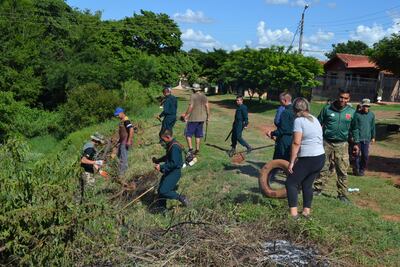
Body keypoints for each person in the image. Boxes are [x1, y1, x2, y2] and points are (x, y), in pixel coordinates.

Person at [313, 88, 356, 203]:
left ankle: (342, 195)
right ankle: (317, 188)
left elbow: (354, 129)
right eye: (341, 97)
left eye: (346, 98)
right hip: (326, 143)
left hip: (342, 144)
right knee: (323, 166)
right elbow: (318, 124)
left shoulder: (351, 112)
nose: (343, 100)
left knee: (342, 170)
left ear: (349, 99)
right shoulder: (327, 109)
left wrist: (356, 143)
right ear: (338, 97)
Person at [286, 98, 325, 219]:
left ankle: (293, 216)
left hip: (309, 158)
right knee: (307, 184)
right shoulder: (314, 119)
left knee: (291, 183)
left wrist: (292, 162)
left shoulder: (299, 120)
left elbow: (296, 143)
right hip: (320, 157)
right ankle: (306, 213)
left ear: (294, 109)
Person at [153, 129, 189, 212]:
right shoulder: (171, 144)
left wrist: (161, 167)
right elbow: (168, 157)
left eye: (162, 139)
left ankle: (181, 198)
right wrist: (158, 160)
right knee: (160, 190)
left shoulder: (175, 147)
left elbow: (174, 163)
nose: (162, 141)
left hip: (174, 172)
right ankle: (162, 207)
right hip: (169, 171)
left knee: (163, 190)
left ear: (168, 137)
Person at [183, 84, 210, 155]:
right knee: (198, 134)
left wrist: (186, 115)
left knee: (188, 134)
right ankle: (197, 149)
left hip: (193, 118)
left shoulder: (193, 96)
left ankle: (190, 149)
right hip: (202, 119)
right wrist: (208, 117)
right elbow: (207, 106)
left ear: (194, 89)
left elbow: (191, 106)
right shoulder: (204, 96)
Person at [266, 92, 294, 161]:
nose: (280, 102)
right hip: (293, 138)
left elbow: (282, 130)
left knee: (278, 160)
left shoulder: (286, 112)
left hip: (284, 139)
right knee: (288, 159)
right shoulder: (295, 110)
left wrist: (272, 133)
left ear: (285, 100)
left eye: (280, 100)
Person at [352, 98, 376, 176]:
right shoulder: (357, 114)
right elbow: (354, 128)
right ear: (362, 106)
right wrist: (355, 138)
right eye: (365, 106)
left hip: (367, 139)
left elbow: (372, 126)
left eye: (368, 106)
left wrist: (373, 137)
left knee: (365, 156)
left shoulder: (371, 115)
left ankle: (362, 169)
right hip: (358, 138)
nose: (366, 108)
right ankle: (356, 169)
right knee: (356, 155)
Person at [80, 133, 105, 200]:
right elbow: (83, 160)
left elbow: (90, 161)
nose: (99, 145)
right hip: (86, 172)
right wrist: (96, 162)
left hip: (87, 171)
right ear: (96, 141)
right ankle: (87, 205)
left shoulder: (90, 146)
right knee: (89, 191)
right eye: (99, 143)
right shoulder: (90, 148)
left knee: (83, 190)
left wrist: (100, 171)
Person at [114, 107, 134, 176]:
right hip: (122, 141)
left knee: (123, 158)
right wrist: (118, 142)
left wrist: (129, 141)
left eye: (118, 114)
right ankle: (121, 170)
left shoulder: (126, 121)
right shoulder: (122, 121)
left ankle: (122, 174)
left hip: (125, 142)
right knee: (119, 155)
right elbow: (122, 133)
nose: (117, 116)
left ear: (122, 113)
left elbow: (131, 130)